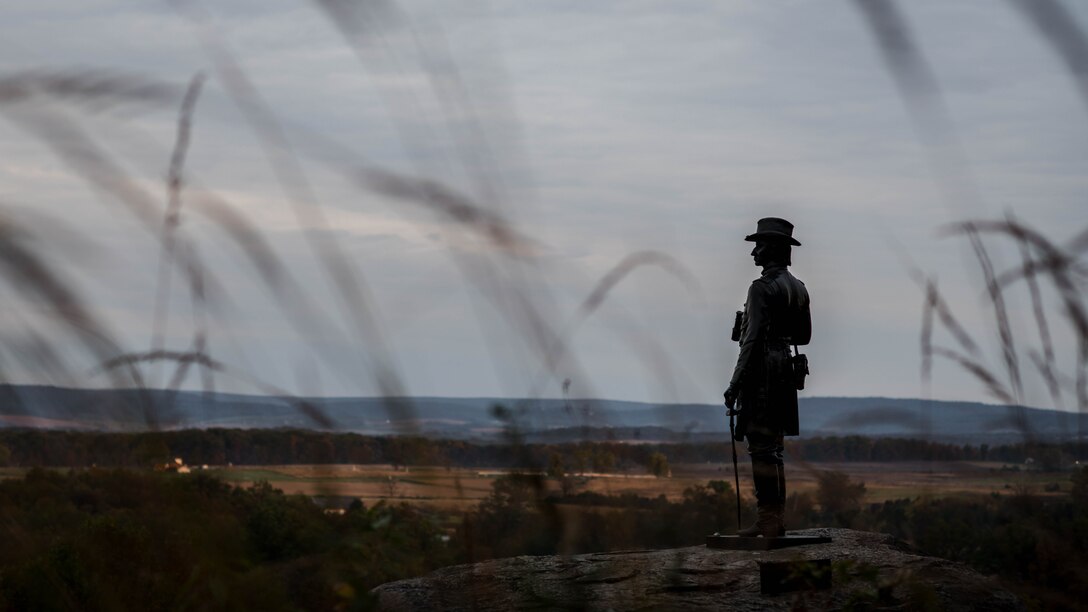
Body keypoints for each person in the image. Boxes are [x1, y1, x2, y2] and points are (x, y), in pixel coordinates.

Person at [724, 217, 811, 537]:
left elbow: (751, 341)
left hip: (761, 373)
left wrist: (735, 384)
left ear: (773, 248)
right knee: (774, 449)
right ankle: (775, 519)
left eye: (759, 245)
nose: (754, 252)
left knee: (761, 448)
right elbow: (805, 334)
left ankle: (767, 520)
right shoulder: (799, 288)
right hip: (784, 371)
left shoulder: (760, 288)